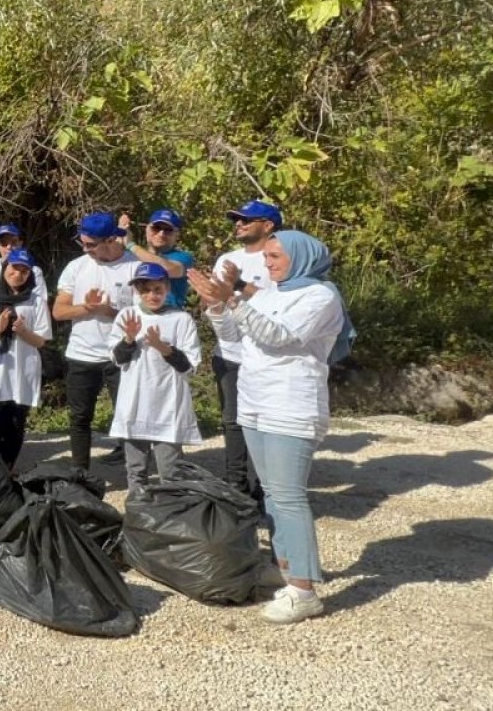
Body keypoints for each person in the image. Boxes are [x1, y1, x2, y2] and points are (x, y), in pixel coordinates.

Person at [191, 230, 350, 624]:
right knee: (273, 496)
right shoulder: (266, 293)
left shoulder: (320, 295)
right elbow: (234, 337)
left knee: (289, 496)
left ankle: (304, 591)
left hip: (291, 407)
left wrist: (231, 298)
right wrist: (216, 307)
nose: (268, 262)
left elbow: (277, 336)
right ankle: (285, 569)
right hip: (255, 404)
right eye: (266, 256)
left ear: (302, 256)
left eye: (276, 255)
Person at [52, 213, 140, 470]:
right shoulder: (77, 266)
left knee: (127, 416)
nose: (85, 249)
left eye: (91, 244)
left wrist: (109, 311)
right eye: (83, 243)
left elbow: (141, 316)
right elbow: (59, 311)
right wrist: (88, 308)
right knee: (79, 418)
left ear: (112, 238)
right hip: (81, 354)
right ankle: (80, 473)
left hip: (120, 355)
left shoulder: (134, 267)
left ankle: (136, 477)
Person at [109, 262, 203, 499]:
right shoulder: (127, 315)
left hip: (168, 404)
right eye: (146, 290)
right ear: (137, 291)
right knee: (136, 470)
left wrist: (164, 348)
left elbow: (189, 366)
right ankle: (138, 514)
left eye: (157, 289)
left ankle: (170, 513)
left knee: (170, 471)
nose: (152, 295)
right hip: (135, 402)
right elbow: (117, 359)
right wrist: (129, 339)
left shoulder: (181, 319)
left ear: (167, 288)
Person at [211, 199, 284, 503]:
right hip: (228, 351)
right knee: (232, 420)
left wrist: (239, 285)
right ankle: (236, 486)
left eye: (246, 219)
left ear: (268, 226)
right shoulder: (226, 258)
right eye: (236, 219)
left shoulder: (278, 258)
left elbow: (280, 303)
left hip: (267, 355)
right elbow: (214, 299)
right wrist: (213, 300)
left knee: (266, 421)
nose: (238, 224)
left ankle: (265, 485)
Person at [0, 248, 52, 469]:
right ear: (5, 268)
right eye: (14, 268)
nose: (18, 274)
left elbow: (42, 341)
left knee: (15, 424)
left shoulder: (35, 300)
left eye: (25, 271)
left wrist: (23, 331)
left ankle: (7, 470)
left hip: (24, 369)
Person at [120, 208, 194, 309]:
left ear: (176, 234)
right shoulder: (131, 255)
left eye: (168, 230)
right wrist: (120, 232)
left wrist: (130, 244)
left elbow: (166, 269)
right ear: (147, 228)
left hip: (168, 318)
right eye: (156, 228)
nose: (161, 234)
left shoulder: (183, 258)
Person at [0, 224, 48, 305]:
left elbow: (41, 303)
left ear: (20, 244)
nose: (9, 247)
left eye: (14, 242)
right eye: (3, 243)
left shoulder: (34, 271)